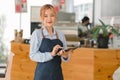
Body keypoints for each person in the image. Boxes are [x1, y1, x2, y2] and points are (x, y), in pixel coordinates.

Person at [29, 4, 70, 80]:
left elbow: (66, 58)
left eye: (52, 15)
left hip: (57, 75)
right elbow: (33, 55)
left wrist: (65, 55)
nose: (49, 19)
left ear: (55, 17)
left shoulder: (61, 35)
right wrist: (51, 54)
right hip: (42, 75)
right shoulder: (37, 34)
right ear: (41, 18)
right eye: (45, 16)